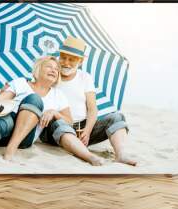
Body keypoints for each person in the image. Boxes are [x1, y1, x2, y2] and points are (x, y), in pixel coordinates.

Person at [48, 36, 137, 166]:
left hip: (82, 128)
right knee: (60, 125)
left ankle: (121, 154)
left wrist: (87, 131)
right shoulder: (53, 74)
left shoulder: (85, 78)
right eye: (63, 57)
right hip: (58, 127)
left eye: (72, 59)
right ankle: (89, 156)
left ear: (81, 61)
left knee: (117, 117)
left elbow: (92, 108)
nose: (66, 63)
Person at [0, 56, 71, 161]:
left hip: (25, 138)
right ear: (38, 69)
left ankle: (11, 149)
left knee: (34, 99)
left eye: (56, 69)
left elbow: (69, 121)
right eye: (49, 67)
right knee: (7, 121)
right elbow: (1, 98)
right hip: (2, 131)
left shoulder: (59, 95)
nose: (53, 70)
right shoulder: (21, 83)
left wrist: (54, 113)